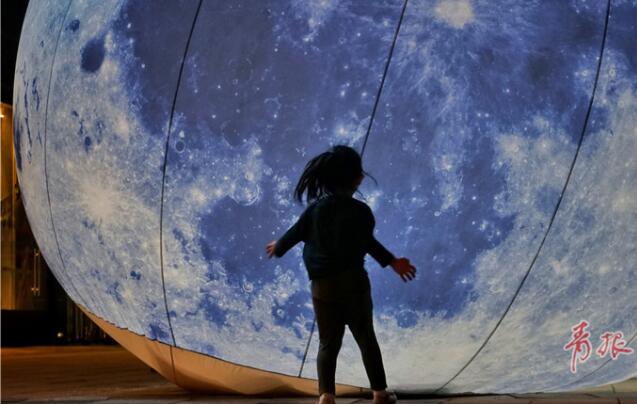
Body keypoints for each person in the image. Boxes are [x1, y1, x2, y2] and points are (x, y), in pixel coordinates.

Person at [265, 145, 417, 404]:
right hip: (354, 284)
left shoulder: (314, 211)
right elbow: (369, 243)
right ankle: (380, 393)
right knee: (366, 337)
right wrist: (393, 262)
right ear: (357, 178)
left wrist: (277, 247)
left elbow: (291, 236)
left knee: (327, 343)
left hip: (322, 287)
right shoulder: (362, 212)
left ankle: (326, 395)